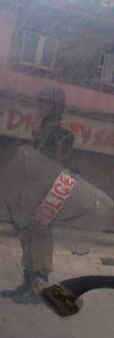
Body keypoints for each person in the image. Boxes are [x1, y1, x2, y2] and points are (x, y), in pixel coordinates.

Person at [0, 86, 74, 305]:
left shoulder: (61, 132)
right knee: (28, 238)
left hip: (47, 192)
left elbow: (56, 165)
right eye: (39, 101)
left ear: (55, 106)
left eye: (43, 101)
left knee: (40, 240)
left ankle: (38, 291)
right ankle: (28, 284)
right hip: (32, 191)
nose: (39, 105)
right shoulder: (43, 128)